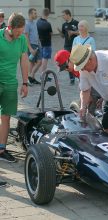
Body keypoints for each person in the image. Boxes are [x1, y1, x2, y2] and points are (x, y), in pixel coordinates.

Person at [0, 13, 28, 162]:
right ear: (9, 28)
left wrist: (25, 82)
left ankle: (1, 149)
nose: (20, 35)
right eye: (18, 32)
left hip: (11, 84)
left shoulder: (22, 39)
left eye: (22, 31)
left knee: (6, 117)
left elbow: (24, 61)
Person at [54, 49, 102, 115]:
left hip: (99, 84)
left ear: (70, 59)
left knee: (91, 108)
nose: (66, 69)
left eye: (66, 67)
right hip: (89, 85)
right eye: (63, 69)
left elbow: (97, 81)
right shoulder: (73, 68)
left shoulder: (81, 65)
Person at [57, 9, 79, 85]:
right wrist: (60, 32)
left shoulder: (76, 23)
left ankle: (78, 75)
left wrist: (73, 32)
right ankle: (71, 78)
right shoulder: (64, 25)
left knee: (76, 61)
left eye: (63, 15)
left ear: (68, 15)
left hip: (75, 45)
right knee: (68, 62)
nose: (63, 17)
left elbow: (80, 32)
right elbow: (63, 36)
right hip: (67, 46)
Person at [24, 8, 42, 85]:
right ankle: (31, 78)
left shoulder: (35, 23)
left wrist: (39, 43)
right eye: (34, 13)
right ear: (30, 14)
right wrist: (30, 48)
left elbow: (36, 34)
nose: (36, 14)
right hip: (31, 45)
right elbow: (26, 37)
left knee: (39, 62)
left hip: (37, 45)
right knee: (32, 62)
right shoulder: (27, 24)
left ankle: (31, 77)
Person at [37, 8, 53, 78]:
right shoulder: (48, 24)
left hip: (40, 43)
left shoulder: (38, 22)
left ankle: (43, 74)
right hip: (47, 43)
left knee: (43, 59)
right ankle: (43, 74)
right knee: (45, 59)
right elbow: (51, 33)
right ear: (48, 14)